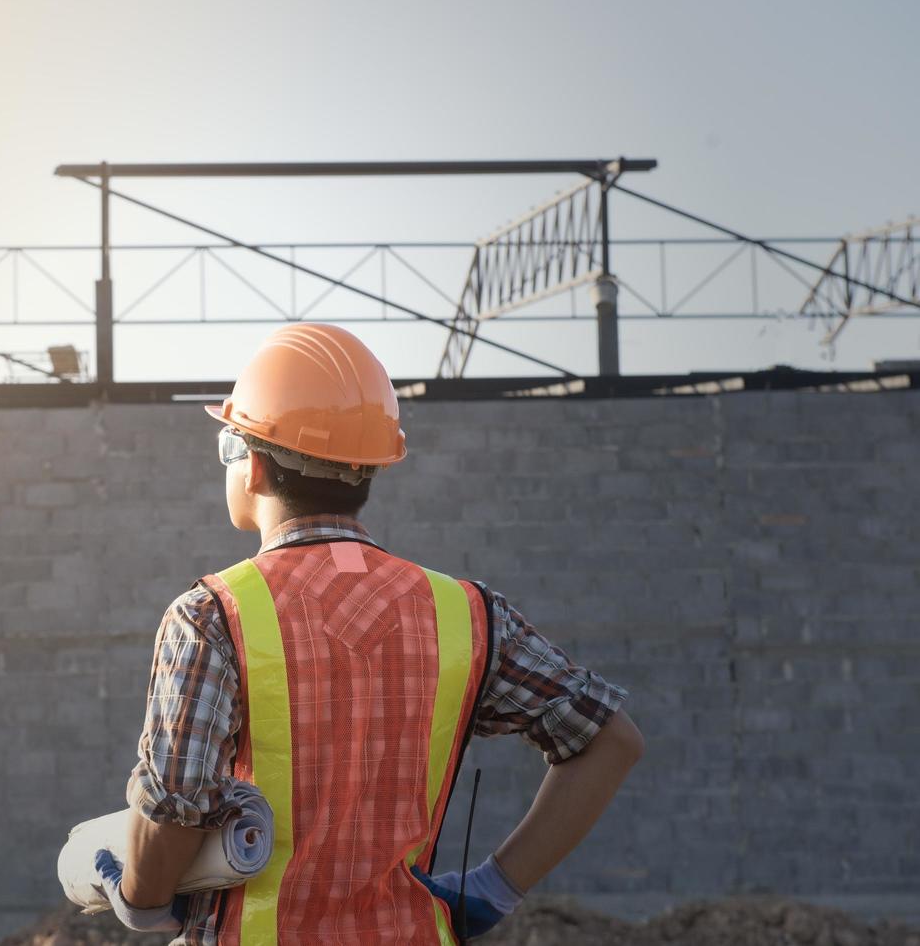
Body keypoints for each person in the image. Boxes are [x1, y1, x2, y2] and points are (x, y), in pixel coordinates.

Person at [91, 323, 644, 944]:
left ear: (253, 464)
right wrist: (495, 887)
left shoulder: (211, 616)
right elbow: (609, 742)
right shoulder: (466, 613)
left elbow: (177, 806)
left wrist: (139, 898)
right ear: (368, 471)